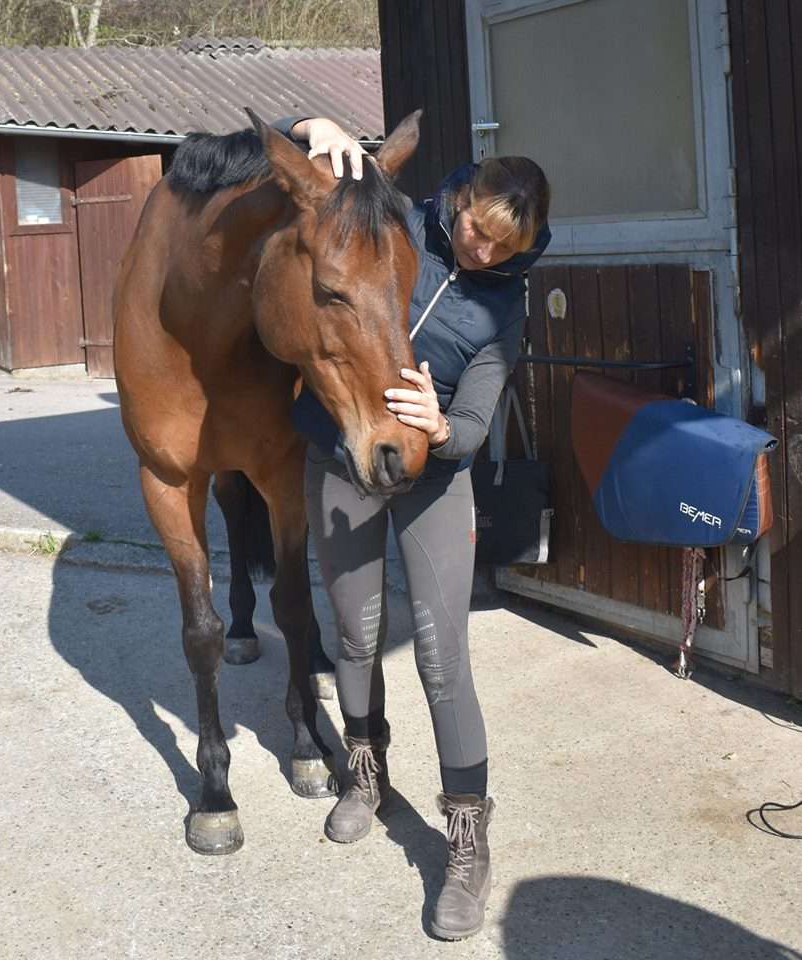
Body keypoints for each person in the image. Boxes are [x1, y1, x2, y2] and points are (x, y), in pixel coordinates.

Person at [285, 117, 551, 940]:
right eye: (475, 229)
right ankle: (366, 775)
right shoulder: (395, 218)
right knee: (355, 635)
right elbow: (321, 185)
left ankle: (467, 840)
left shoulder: (504, 307)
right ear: (459, 197)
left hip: (433, 482)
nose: (479, 252)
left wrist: (442, 429)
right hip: (341, 459)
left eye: (502, 248)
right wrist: (315, 124)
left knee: (442, 658)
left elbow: (477, 420)